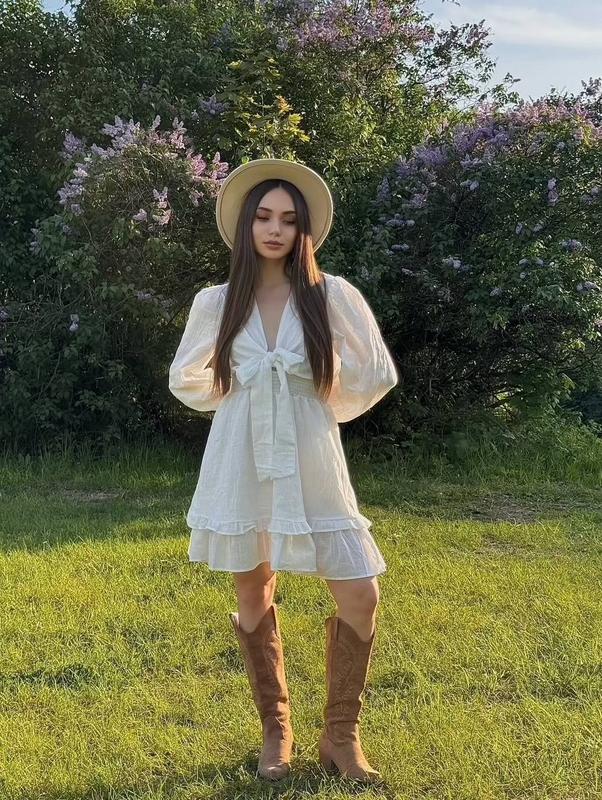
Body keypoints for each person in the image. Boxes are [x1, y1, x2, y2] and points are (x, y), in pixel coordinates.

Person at [168, 158, 398, 783]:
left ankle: (341, 736)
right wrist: (241, 387)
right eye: (265, 217)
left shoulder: (330, 295)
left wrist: (316, 397)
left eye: (289, 220)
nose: (275, 229)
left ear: (304, 231)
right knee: (253, 587)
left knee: (360, 591)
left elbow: (375, 372)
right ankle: (277, 729)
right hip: (240, 456)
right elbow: (184, 377)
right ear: (246, 225)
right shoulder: (217, 302)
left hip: (312, 457)